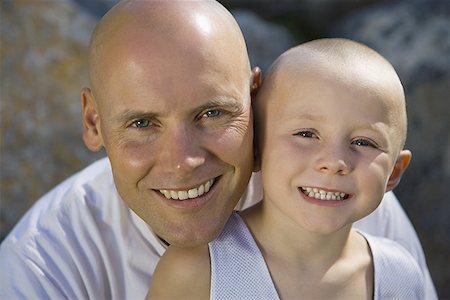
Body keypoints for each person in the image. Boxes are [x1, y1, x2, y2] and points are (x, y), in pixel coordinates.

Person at [0, 1, 436, 299]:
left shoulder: (338, 195)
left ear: (254, 98)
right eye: (142, 123)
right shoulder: (42, 266)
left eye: (211, 114)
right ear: (94, 122)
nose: (184, 160)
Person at [147, 38, 426, 299]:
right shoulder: (199, 269)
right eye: (306, 134)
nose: (334, 162)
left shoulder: (399, 278)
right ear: (255, 148)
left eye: (363, 142)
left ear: (394, 171)